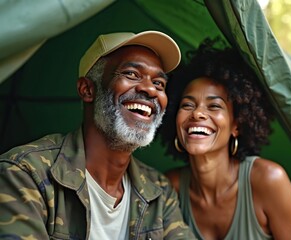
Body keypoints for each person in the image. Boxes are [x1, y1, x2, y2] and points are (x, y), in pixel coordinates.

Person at [0, 30, 196, 239]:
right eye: (131, 74)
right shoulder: (25, 174)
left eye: (159, 83)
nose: (150, 90)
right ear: (87, 90)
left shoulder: (159, 192)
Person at [159, 39, 291, 240]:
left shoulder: (269, 181)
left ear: (236, 125)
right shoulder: (171, 187)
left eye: (214, 106)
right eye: (187, 105)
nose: (198, 114)